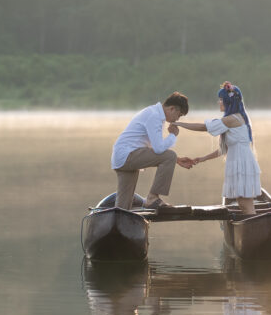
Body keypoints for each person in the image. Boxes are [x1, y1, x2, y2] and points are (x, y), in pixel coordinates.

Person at [175, 82, 261, 216]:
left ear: (228, 101)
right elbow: (225, 149)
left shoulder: (232, 119)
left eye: (221, 100)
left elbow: (205, 127)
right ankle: (252, 225)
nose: (218, 102)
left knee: (245, 203)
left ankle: (255, 228)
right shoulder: (235, 118)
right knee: (242, 202)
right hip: (239, 160)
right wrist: (202, 159)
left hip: (241, 162)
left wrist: (179, 123)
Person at [111, 92, 195, 211]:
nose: (177, 119)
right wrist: (173, 135)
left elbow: (152, 148)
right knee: (170, 155)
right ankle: (152, 198)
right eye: (179, 115)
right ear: (172, 109)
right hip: (128, 155)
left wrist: (177, 160)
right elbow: (159, 149)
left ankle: (117, 226)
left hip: (121, 157)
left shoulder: (154, 114)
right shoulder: (154, 116)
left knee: (123, 208)